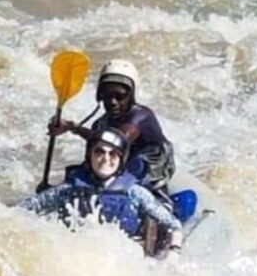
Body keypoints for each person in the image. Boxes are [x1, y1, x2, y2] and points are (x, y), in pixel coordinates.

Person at [21, 128, 184, 254]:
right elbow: (22, 210)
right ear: (89, 156)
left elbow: (173, 224)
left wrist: (173, 253)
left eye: (113, 154)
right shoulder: (68, 191)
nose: (106, 158)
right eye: (99, 152)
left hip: (126, 259)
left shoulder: (135, 193)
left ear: (121, 160)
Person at [50, 59, 176, 194]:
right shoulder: (100, 123)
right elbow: (99, 149)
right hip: (117, 172)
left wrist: (72, 127)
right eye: (107, 95)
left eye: (120, 96)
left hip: (149, 179)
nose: (113, 102)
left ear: (132, 96)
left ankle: (165, 203)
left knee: (136, 166)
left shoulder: (142, 117)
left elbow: (116, 141)